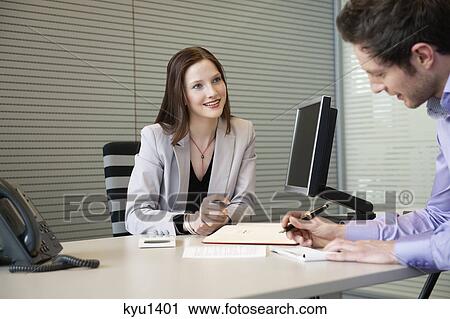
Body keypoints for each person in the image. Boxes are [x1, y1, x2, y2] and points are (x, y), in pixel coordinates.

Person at [282, 0, 450, 270]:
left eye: (379, 73)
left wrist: (391, 250)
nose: (374, 88)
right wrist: (339, 232)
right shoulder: (444, 114)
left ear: (422, 56)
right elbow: (439, 217)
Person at [126, 47, 256, 236]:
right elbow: (135, 215)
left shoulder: (244, 131)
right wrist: (188, 222)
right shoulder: (154, 137)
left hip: (219, 252)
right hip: (169, 253)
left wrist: (222, 219)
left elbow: (245, 202)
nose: (212, 92)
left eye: (216, 80)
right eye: (197, 86)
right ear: (182, 95)